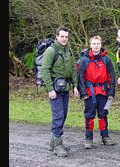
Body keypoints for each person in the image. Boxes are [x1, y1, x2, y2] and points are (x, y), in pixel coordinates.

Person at [41, 26, 79, 157]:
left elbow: (73, 69)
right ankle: (57, 145)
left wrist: (75, 85)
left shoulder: (68, 50)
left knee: (63, 115)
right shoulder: (51, 50)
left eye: (66, 37)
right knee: (58, 116)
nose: (64, 39)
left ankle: (54, 142)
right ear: (57, 36)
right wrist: (50, 89)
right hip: (55, 90)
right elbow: (44, 70)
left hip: (65, 88)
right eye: (62, 36)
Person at [77, 36, 116, 149]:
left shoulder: (106, 59)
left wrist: (111, 92)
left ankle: (105, 137)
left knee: (103, 114)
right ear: (90, 45)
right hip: (90, 92)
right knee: (89, 115)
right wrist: (83, 93)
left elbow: (111, 76)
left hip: (103, 91)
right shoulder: (85, 60)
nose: (96, 46)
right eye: (94, 44)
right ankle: (88, 139)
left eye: (98, 43)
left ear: (101, 44)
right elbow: (81, 77)